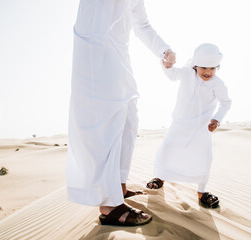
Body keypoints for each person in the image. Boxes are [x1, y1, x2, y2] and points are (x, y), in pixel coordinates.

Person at [66, 0, 176, 226]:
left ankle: (118, 187)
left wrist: (163, 50)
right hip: (94, 50)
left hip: (119, 54)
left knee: (129, 119)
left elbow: (142, 24)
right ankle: (109, 206)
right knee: (108, 122)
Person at [146, 43, 231, 208]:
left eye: (213, 68)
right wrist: (167, 66)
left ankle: (201, 192)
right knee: (167, 149)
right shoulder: (186, 73)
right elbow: (172, 75)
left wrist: (217, 119)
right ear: (195, 65)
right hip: (179, 123)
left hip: (201, 127)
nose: (208, 72)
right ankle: (160, 177)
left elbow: (226, 102)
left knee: (203, 158)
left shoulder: (217, 84)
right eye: (204, 68)